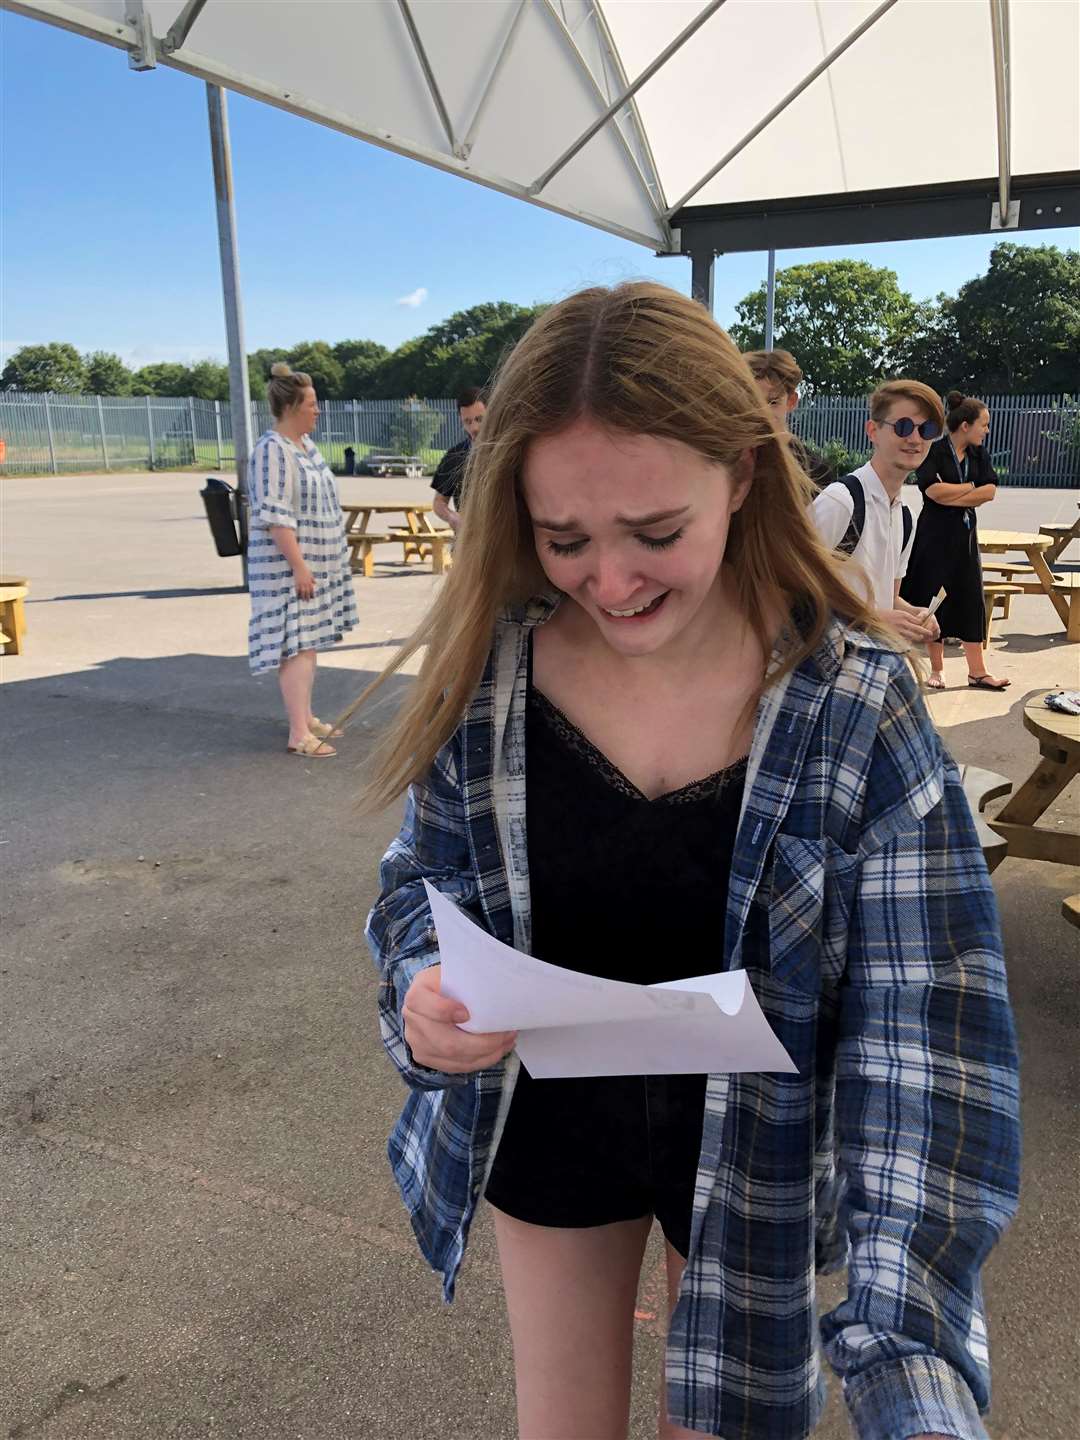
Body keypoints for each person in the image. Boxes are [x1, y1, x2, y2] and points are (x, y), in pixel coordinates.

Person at [363, 284, 1019, 1440]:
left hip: (760, 1142)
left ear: (745, 478)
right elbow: (423, 887)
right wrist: (424, 994)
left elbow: (928, 1056)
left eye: (657, 534)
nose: (610, 584)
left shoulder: (857, 709)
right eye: (564, 540)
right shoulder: (491, 686)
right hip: (547, 1123)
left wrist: (913, 1380)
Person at [246, 362, 358, 757]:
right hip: (287, 571)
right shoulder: (272, 451)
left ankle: (305, 716)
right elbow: (276, 517)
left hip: (316, 565)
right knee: (296, 646)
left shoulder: (305, 447)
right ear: (292, 407)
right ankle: (299, 734)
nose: (318, 410)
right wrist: (299, 566)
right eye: (312, 404)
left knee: (308, 643)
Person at [810, 379, 943, 648]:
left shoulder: (905, 517)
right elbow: (791, 592)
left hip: (871, 668)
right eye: (903, 426)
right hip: (824, 670)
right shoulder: (842, 501)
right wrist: (872, 618)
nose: (915, 439)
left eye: (926, 429)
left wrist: (914, 615)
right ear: (873, 430)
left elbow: (888, 599)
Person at [900, 393, 1009, 690]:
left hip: (965, 537)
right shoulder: (934, 452)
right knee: (932, 598)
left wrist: (956, 492)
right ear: (964, 425)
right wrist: (969, 489)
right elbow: (932, 492)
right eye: (983, 425)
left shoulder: (978, 455)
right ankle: (937, 670)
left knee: (971, 597)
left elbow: (989, 492)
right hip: (933, 536)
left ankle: (978, 672)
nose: (986, 430)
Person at [743, 347, 834, 489]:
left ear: (791, 401)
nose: (762, 413)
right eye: (753, 402)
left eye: (772, 402)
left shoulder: (816, 471)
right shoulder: (731, 463)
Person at [430, 385, 486, 532]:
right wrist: (451, 517)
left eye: (479, 419)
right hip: (466, 542)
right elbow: (439, 502)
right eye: (467, 422)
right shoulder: (454, 456)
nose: (474, 428)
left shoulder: (509, 451)